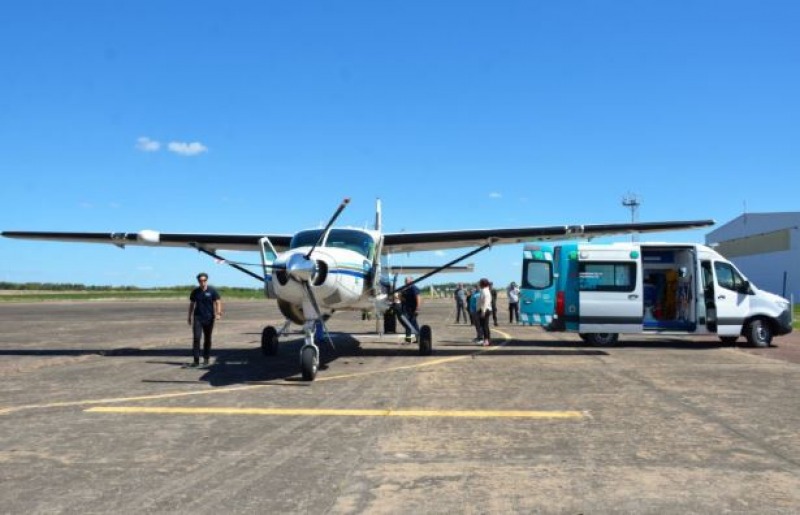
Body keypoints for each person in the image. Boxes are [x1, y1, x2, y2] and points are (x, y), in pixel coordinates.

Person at [187, 272, 222, 368]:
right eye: (200, 280)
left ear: (207, 280)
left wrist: (218, 313)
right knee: (196, 338)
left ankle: (206, 359)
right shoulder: (195, 292)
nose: (202, 282)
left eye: (204, 280)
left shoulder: (212, 291)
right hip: (198, 317)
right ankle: (196, 360)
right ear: (198, 281)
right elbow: (192, 304)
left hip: (209, 317)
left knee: (207, 338)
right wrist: (189, 316)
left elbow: (218, 302)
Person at [400, 276, 421, 343]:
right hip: (406, 309)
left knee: (414, 324)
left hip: (413, 309)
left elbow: (418, 298)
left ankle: (419, 338)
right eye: (405, 280)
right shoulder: (405, 289)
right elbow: (402, 298)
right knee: (407, 324)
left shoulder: (414, 288)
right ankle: (408, 339)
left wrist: (417, 308)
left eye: (407, 280)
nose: (405, 282)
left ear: (411, 281)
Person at [478, 278, 493, 346]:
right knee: (484, 326)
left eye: (480, 283)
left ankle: (486, 340)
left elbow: (485, 302)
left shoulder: (484, 291)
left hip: (485, 309)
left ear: (482, 284)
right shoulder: (485, 290)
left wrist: (483, 311)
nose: (479, 284)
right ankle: (487, 340)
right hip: (485, 309)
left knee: (484, 326)